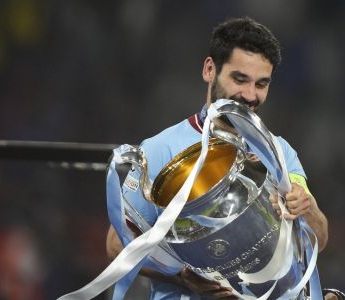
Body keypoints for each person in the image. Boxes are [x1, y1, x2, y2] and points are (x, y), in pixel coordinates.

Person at [106, 16, 329, 300]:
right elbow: (116, 244)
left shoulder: (279, 151)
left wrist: (305, 207)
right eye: (240, 79)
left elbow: (318, 238)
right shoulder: (161, 149)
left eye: (261, 84)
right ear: (210, 70)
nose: (250, 95)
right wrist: (182, 277)